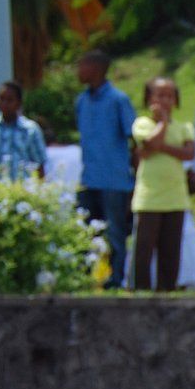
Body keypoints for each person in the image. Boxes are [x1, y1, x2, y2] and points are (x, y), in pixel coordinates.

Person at [73, 50, 138, 292]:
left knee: (115, 234)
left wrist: (134, 179)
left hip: (115, 180)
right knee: (83, 231)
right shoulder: (81, 101)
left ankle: (116, 278)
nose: (78, 71)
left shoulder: (118, 100)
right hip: (89, 179)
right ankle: (81, 277)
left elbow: (133, 141)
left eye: (82, 65)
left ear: (96, 68)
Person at [130, 78, 195, 294]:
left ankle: (166, 290)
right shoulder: (142, 123)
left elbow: (188, 153)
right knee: (144, 248)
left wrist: (158, 147)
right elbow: (149, 143)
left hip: (175, 197)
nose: (165, 101)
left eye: (170, 96)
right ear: (149, 98)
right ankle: (141, 290)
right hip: (149, 198)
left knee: (171, 250)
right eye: (160, 95)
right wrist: (163, 124)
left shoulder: (185, 127)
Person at [0, 81, 47, 181]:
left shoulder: (30, 129)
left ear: (19, 103)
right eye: (1, 99)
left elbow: (39, 165)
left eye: (9, 100)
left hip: (22, 190)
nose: (4, 103)